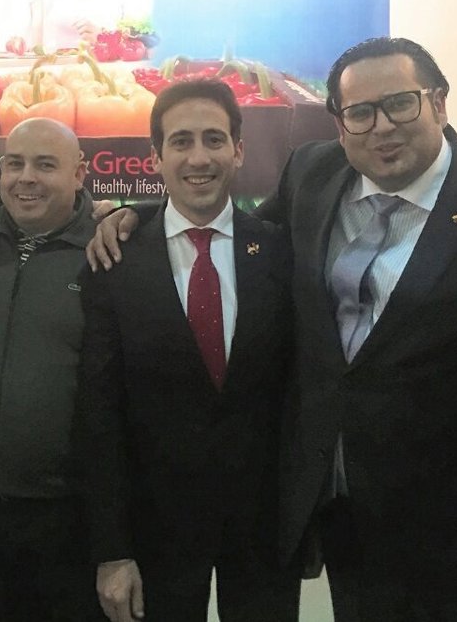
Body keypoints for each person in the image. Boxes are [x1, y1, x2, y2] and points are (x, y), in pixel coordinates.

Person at [90, 38, 457, 621]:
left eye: (400, 103)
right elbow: (231, 234)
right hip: (339, 508)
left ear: (439, 103)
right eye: (360, 112)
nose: (381, 126)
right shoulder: (314, 174)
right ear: (339, 123)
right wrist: (138, 217)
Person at [77, 79, 300, 622]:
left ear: (238, 150)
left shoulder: (280, 251)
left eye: (213, 139)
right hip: (155, 530)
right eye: (181, 141)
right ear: (155, 157)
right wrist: (111, 550)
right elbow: (99, 415)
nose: (199, 157)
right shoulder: (115, 261)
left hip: (263, 529)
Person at [0, 117, 104, 622]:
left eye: (45, 165)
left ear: (79, 173)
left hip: (69, 513)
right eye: (14, 163)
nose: (26, 178)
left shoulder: (109, 248)